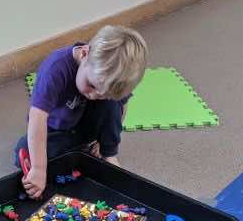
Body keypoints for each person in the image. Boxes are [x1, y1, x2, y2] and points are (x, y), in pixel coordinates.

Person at [15, 25, 148, 199]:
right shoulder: (56, 69)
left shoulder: (104, 84)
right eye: (91, 85)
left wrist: (105, 142)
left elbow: (119, 110)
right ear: (84, 54)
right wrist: (39, 169)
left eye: (103, 93)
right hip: (57, 129)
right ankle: (77, 151)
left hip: (86, 127)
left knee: (112, 103)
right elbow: (37, 117)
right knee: (25, 151)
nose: (93, 95)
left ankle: (108, 155)